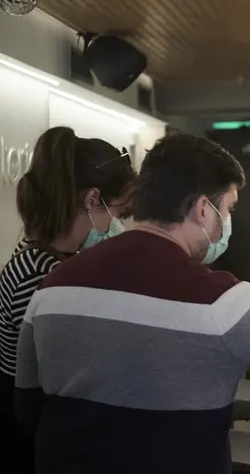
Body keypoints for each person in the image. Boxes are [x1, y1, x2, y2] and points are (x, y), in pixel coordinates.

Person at [15, 134, 250, 474]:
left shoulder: (52, 287)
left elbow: (28, 405)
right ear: (203, 209)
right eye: (228, 208)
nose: (227, 220)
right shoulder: (221, 301)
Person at [0, 127, 135, 474]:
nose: (117, 225)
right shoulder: (43, 277)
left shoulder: (37, 258)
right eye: (117, 213)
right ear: (92, 199)